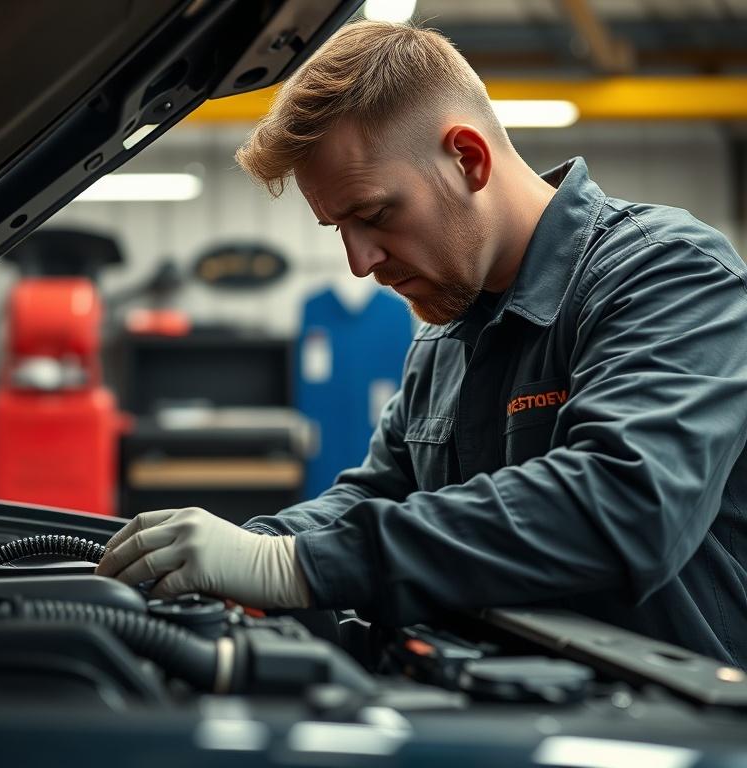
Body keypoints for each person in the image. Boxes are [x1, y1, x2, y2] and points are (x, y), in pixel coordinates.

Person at [96, 21, 747, 665]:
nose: (359, 263)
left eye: (374, 215)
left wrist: (291, 566)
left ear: (468, 159)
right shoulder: (445, 333)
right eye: (338, 228)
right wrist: (243, 547)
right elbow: (379, 494)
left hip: (671, 715)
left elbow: (624, 507)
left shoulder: (667, 275)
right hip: (509, 699)